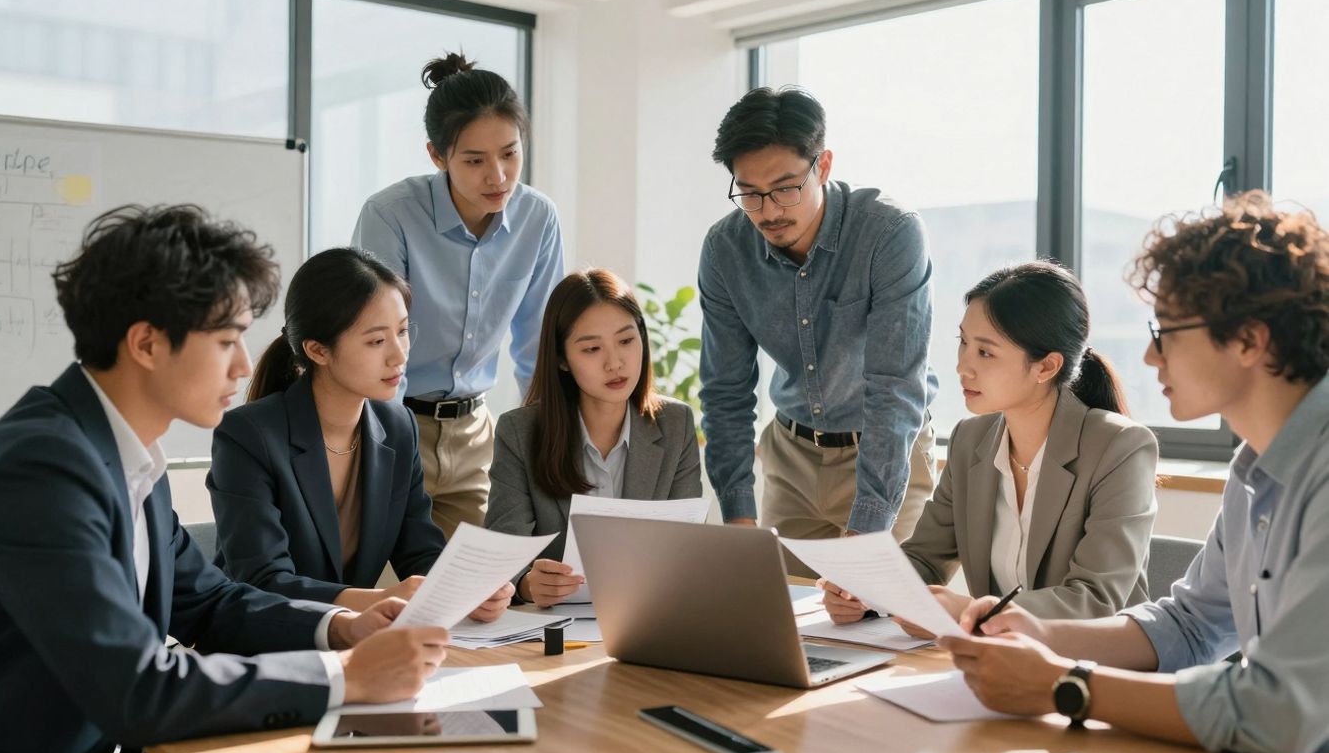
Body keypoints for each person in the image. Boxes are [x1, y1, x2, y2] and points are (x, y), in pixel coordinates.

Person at [0, 205, 448, 753]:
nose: (245, 365)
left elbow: (211, 603)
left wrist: (343, 628)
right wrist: (343, 678)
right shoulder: (43, 469)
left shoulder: (127, 454)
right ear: (146, 344)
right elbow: (136, 688)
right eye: (225, 341)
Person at [940, 191, 1329, 753]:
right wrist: (1038, 635)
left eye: (1167, 329)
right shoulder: (1255, 469)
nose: (1149, 356)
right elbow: (1192, 625)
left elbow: (1276, 714)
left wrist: (1063, 685)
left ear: (1249, 339)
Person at [821, 262, 1157, 632]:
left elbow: (1094, 600)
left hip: (1095, 671)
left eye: (986, 353)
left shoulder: (1121, 447)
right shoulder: (970, 440)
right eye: (963, 342)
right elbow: (924, 559)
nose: (963, 367)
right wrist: (866, 594)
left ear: (1046, 367)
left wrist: (969, 611)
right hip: (1000, 663)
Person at [697, 86, 936, 568]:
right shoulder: (725, 250)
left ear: (823, 166)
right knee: (781, 623)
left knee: (885, 622)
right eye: (749, 192)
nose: (768, 211)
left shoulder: (889, 234)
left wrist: (867, 524)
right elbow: (726, 390)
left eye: (786, 188)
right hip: (792, 460)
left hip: (886, 453)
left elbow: (896, 389)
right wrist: (738, 515)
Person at [207, 248, 513, 618]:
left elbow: (419, 551)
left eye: (402, 331)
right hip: (262, 646)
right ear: (318, 351)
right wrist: (376, 600)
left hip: (354, 645)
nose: (399, 355)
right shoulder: (248, 435)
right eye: (376, 341)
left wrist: (466, 590)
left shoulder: (398, 427)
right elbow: (263, 580)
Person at [352, 51, 565, 538]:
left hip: (475, 434)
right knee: (393, 597)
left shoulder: (538, 219)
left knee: (479, 594)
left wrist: (542, 444)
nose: (498, 176)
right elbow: (376, 342)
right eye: (474, 160)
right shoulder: (391, 215)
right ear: (437, 156)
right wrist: (382, 446)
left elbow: (539, 346)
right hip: (391, 425)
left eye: (510, 153)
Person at [484, 269, 702, 606]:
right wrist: (528, 584)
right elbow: (502, 561)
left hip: (650, 615)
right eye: (591, 349)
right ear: (562, 360)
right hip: (556, 627)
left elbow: (687, 551)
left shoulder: (676, 424)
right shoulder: (519, 433)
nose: (615, 363)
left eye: (626, 341)